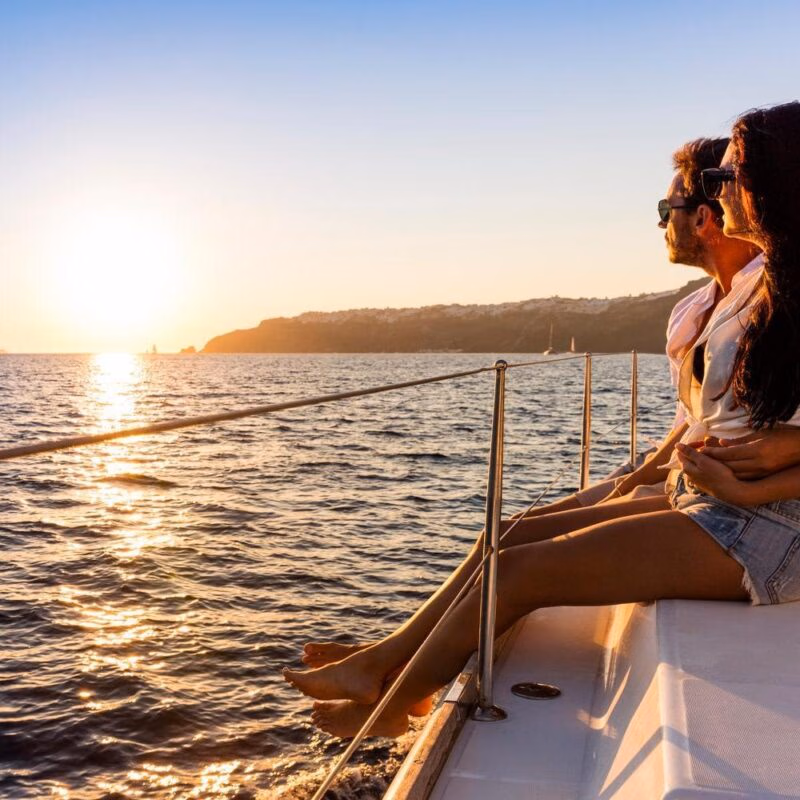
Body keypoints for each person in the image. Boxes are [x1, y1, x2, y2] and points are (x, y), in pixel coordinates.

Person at [284, 102, 800, 738]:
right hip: (722, 502)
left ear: (775, 186)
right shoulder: (760, 294)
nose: (716, 192)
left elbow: (767, 438)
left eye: (732, 176)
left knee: (520, 571)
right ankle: (392, 668)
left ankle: (391, 694)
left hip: (773, 528)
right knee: (509, 537)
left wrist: (762, 475)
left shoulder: (775, 298)